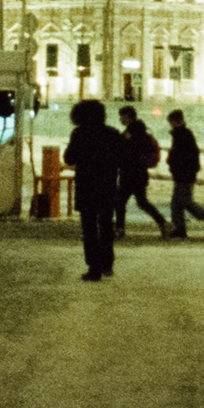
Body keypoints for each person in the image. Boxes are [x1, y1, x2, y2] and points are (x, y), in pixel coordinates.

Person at [63, 99, 128, 281]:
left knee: (89, 228)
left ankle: (94, 267)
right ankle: (107, 263)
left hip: (86, 186)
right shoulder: (113, 134)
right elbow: (123, 159)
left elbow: (69, 158)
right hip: (107, 186)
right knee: (106, 225)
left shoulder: (79, 134)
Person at [115, 104, 168, 238]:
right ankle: (163, 223)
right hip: (138, 172)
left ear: (128, 117)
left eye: (122, 116)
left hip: (131, 172)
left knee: (121, 201)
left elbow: (126, 151)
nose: (120, 119)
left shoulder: (132, 132)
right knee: (141, 202)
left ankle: (120, 229)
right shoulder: (140, 131)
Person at [166, 109, 204, 234]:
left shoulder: (183, 134)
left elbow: (185, 155)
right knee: (176, 203)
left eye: (172, 122)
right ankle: (180, 228)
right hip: (182, 172)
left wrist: (177, 164)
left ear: (176, 121)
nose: (170, 124)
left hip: (184, 173)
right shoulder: (180, 134)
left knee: (184, 201)